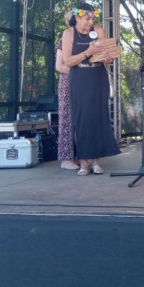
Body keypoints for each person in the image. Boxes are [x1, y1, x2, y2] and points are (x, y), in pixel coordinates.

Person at [61, 2, 121, 175]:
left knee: (97, 117)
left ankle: (95, 161)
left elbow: (106, 56)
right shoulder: (68, 33)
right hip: (79, 77)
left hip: (98, 76)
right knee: (82, 119)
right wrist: (87, 52)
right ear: (77, 17)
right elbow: (67, 61)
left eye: (92, 18)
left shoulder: (99, 30)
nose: (90, 22)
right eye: (87, 18)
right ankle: (83, 162)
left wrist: (108, 57)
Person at [55, 10, 79, 170]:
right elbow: (59, 66)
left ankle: (83, 156)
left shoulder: (85, 39)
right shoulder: (63, 39)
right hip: (67, 84)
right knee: (67, 119)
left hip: (83, 84)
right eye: (71, 20)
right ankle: (66, 159)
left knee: (81, 120)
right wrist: (79, 71)